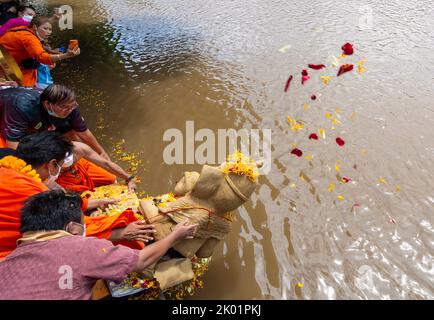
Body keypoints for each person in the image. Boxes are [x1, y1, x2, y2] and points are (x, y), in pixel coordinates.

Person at [0, 190, 197, 299]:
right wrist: (176, 235)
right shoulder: (79, 247)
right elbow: (141, 260)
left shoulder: (8, 259)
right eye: (84, 223)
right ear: (73, 229)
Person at [0, 132, 153, 260]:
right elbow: (67, 231)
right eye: (60, 165)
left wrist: (92, 203)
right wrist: (123, 233)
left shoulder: (8, 167)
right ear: (52, 164)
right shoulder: (35, 193)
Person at [0, 84, 111, 160]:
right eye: (65, 107)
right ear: (48, 104)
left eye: (72, 106)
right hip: (6, 116)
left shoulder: (70, 107)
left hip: (38, 122)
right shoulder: (21, 108)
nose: (69, 110)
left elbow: (83, 132)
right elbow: (13, 146)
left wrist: (101, 152)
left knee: (74, 137)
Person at [0, 15, 80, 86]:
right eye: (45, 28)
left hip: (7, 61)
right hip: (7, 68)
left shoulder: (23, 29)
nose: (48, 32)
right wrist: (66, 55)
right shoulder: (29, 38)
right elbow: (42, 57)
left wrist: (50, 51)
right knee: (26, 86)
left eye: (50, 29)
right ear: (35, 27)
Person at [58, 140, 137, 192]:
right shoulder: (48, 167)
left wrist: (128, 178)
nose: (68, 165)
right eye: (65, 164)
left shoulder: (79, 148)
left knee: (110, 179)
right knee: (82, 192)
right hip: (60, 177)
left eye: (71, 161)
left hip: (80, 166)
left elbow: (106, 164)